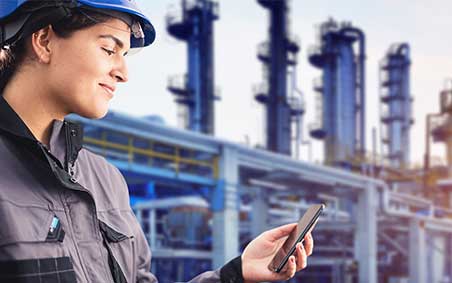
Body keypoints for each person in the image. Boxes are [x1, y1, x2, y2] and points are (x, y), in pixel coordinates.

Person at [0, 1, 314, 282]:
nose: (123, 73)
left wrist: (236, 274)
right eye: (109, 49)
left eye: (124, 55)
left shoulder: (104, 180)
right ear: (44, 41)